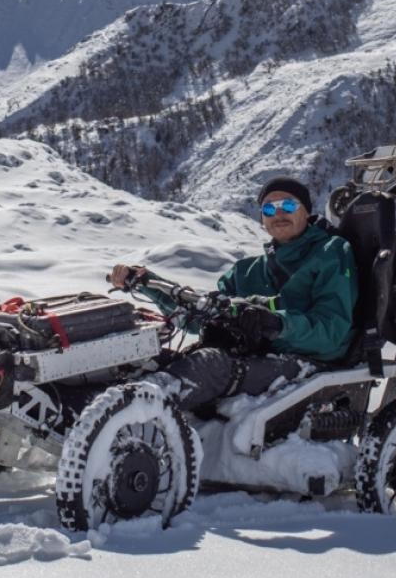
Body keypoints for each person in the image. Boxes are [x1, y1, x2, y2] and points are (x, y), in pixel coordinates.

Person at [108, 176, 358, 412]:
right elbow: (201, 314)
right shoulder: (246, 271)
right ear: (262, 219)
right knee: (146, 359)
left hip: (309, 362)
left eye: (288, 205)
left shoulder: (331, 253)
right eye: (269, 209)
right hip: (251, 356)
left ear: (306, 210)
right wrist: (147, 282)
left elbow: (331, 331)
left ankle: (128, 413)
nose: (279, 214)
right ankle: (100, 414)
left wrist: (277, 324)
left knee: (207, 366)